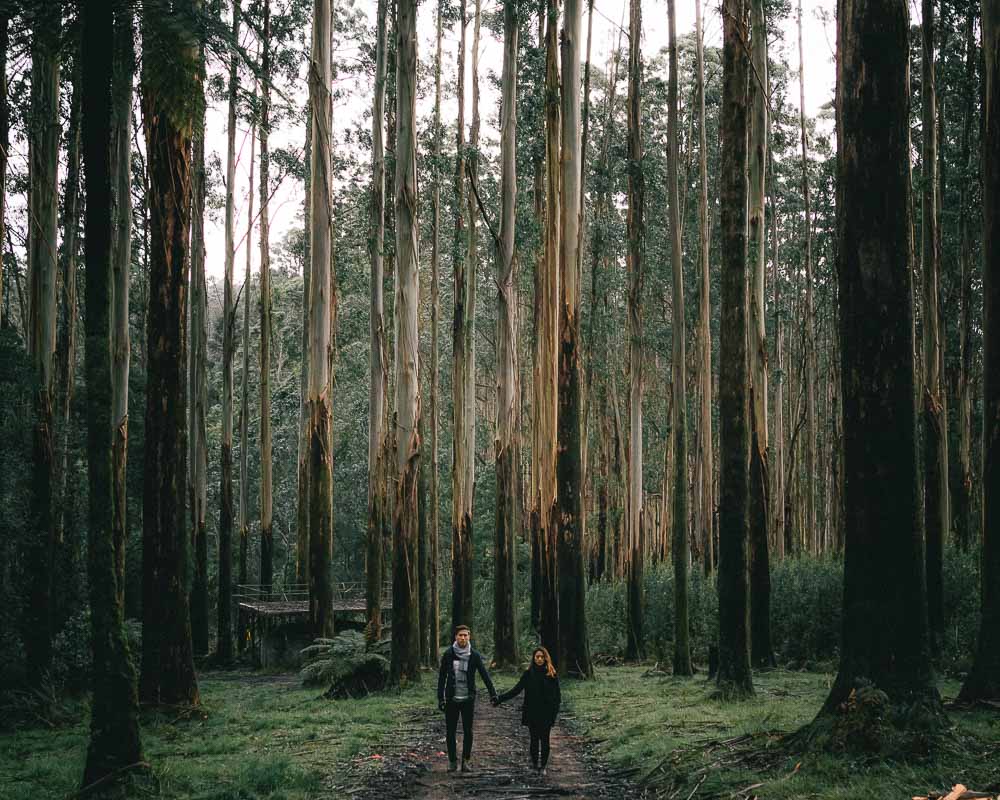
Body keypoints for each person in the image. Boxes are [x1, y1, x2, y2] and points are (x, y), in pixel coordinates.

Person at [436, 625, 499, 773]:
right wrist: (441, 698)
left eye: (465, 635)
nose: (463, 638)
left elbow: (484, 675)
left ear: (469, 637)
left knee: (468, 731)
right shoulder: (449, 654)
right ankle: (452, 761)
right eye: (460, 635)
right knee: (450, 731)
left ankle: (466, 761)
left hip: (468, 699)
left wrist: (493, 693)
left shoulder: (474, 655)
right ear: (455, 637)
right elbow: (442, 677)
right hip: (451, 699)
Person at [497, 646, 561, 775]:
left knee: (545, 740)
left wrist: (554, 713)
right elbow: (516, 690)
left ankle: (543, 766)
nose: (539, 659)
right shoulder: (528, 674)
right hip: (532, 711)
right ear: (533, 658)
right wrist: (500, 699)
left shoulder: (552, 674)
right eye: (537, 657)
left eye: (542, 657)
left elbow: (557, 697)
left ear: (545, 658)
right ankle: (534, 764)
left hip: (546, 713)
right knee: (533, 739)